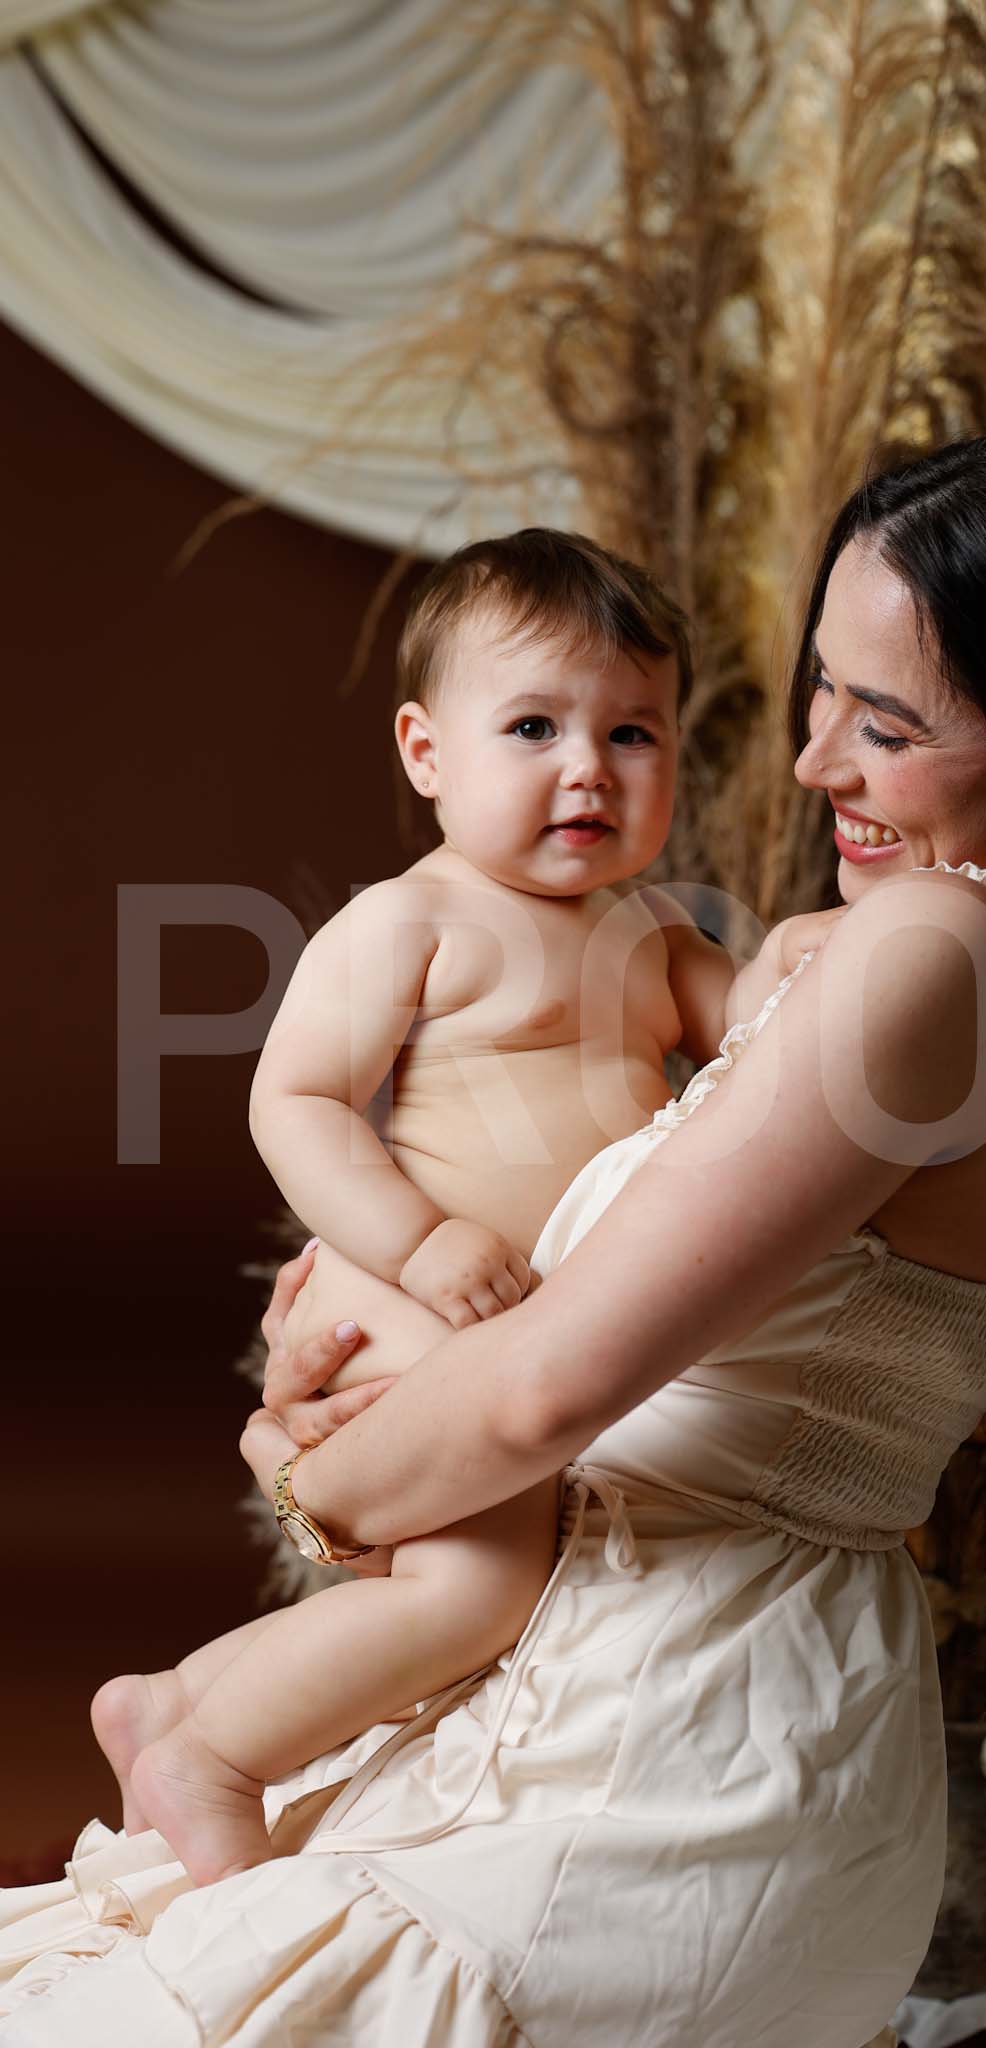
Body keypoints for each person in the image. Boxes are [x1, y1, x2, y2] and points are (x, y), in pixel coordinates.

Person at [0, 419, 986, 2048]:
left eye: (886, 722)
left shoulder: (927, 949)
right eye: (820, 690)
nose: (813, 762)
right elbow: (351, 1135)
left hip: (676, 1753)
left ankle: (201, 1727)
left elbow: (537, 1395)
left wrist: (309, 1465)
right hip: (655, 1698)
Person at [86, 526, 837, 1889]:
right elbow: (296, 1100)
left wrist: (806, 950)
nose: (587, 768)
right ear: (427, 753)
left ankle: (173, 1700)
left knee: (472, 1588)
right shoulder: (412, 919)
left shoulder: (655, 931)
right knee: (477, 1590)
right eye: (535, 727)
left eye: (632, 733)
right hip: (402, 1296)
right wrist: (418, 1242)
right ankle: (216, 1761)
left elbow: (762, 1038)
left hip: (523, 1333)